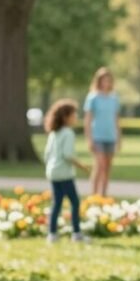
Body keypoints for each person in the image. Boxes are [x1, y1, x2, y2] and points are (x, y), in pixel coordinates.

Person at [43, 99, 91, 244]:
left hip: (52, 172)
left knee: (56, 202)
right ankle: (76, 233)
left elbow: (47, 154)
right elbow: (67, 154)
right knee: (75, 202)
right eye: (74, 114)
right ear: (66, 117)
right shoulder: (68, 133)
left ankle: (52, 233)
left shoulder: (54, 133)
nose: (76, 117)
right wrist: (82, 166)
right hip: (64, 174)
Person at [83, 67, 121, 197]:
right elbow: (87, 120)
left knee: (107, 168)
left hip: (110, 136)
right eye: (104, 80)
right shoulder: (92, 97)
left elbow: (116, 120)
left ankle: (103, 195)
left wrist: (119, 139)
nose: (107, 82)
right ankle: (94, 195)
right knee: (99, 166)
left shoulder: (114, 98)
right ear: (99, 81)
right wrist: (89, 139)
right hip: (97, 136)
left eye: (109, 80)